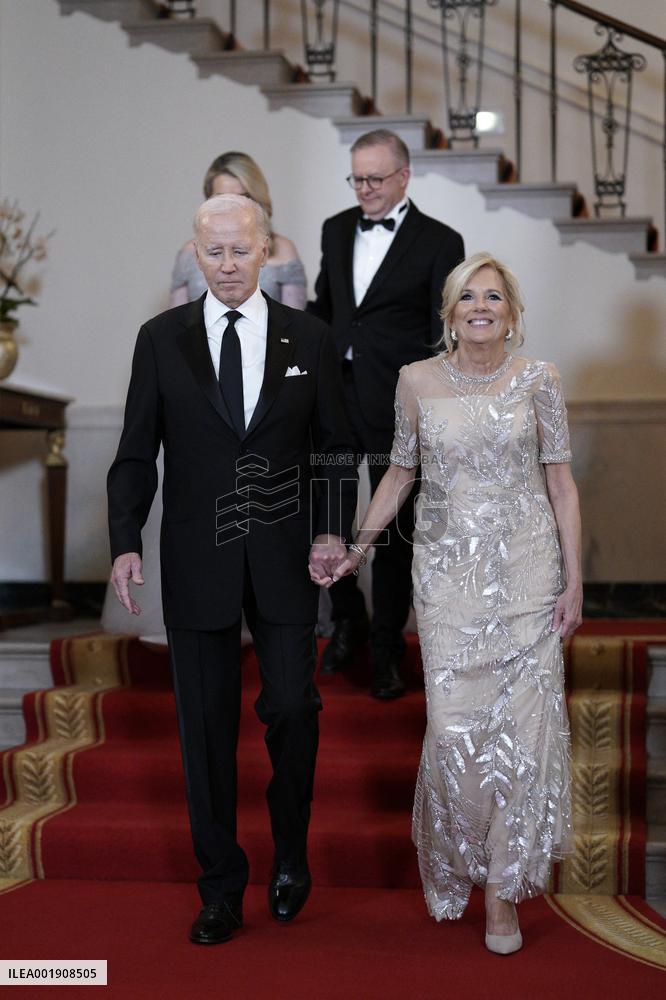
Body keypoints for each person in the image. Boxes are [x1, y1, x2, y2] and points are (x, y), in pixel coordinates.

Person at [107, 194, 356, 946]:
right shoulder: (161, 339)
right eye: (212, 252)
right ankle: (219, 887)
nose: (225, 265)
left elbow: (335, 448)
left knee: (293, 710)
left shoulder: (310, 337)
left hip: (286, 557)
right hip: (196, 559)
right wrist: (125, 540)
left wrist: (330, 531)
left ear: (265, 250)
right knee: (205, 732)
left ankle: (290, 854)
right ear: (196, 252)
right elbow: (135, 449)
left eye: (239, 251)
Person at [325, 252, 581, 954]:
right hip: (447, 581)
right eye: (468, 296)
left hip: (528, 572)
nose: (480, 307)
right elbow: (399, 473)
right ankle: (470, 855)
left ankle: (502, 890)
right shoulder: (416, 380)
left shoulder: (540, 379)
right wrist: (359, 548)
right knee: (454, 728)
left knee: (524, 733)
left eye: (493, 296)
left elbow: (561, 484)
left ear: (512, 313)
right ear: (449, 312)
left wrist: (574, 579)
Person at [308, 128, 465, 700]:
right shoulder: (334, 229)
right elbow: (327, 309)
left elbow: (442, 328)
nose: (365, 189)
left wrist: (432, 402)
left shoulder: (441, 240)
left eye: (375, 178)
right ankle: (347, 619)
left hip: (399, 402)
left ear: (404, 176)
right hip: (334, 396)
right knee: (325, 514)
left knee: (395, 531)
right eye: (357, 178)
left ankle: (386, 649)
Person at [170, 151, 307, 310]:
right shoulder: (188, 253)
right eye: (221, 198)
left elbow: (293, 320)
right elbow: (177, 320)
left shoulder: (283, 249)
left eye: (242, 198)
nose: (232, 208)